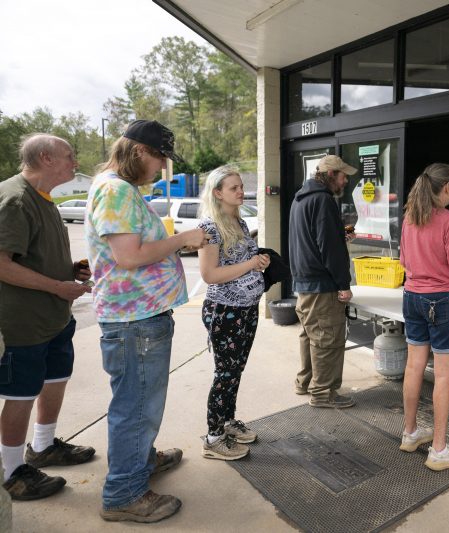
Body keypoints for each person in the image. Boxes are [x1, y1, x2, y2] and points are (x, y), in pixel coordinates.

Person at [85, 120, 208, 523]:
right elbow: (130, 256)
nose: (160, 167)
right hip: (134, 321)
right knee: (137, 407)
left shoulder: (119, 188)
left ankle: (140, 460)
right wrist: (184, 239)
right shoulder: (115, 189)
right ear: (139, 151)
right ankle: (124, 493)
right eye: (159, 157)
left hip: (139, 318)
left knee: (139, 402)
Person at [0, 134, 95, 501]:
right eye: (69, 155)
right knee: (20, 395)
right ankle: (12, 474)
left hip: (53, 319)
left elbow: (31, 256)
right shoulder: (14, 199)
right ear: (46, 158)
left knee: (55, 379)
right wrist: (57, 287)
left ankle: (42, 447)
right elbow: (3, 265)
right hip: (23, 323)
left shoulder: (42, 197)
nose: (75, 161)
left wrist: (68, 270)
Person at [399, 162, 449, 472]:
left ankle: (410, 432)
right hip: (443, 302)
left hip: (412, 297)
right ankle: (440, 449)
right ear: (446, 187)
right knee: (444, 375)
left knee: (414, 366)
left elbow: (405, 263)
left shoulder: (409, 219)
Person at [197, 166, 269, 461]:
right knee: (225, 373)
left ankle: (227, 422)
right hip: (224, 311)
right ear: (218, 193)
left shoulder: (237, 221)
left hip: (245, 309)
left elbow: (241, 261)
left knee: (235, 371)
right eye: (234, 188)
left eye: (241, 186)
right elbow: (210, 274)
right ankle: (213, 437)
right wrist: (251, 264)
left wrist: (260, 261)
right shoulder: (210, 228)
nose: (241, 191)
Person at [289, 154, 357, 408]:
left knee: (310, 334)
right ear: (330, 175)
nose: (346, 180)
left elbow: (314, 240)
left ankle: (305, 382)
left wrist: (339, 236)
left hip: (304, 281)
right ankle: (323, 393)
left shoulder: (301, 199)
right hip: (321, 283)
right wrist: (343, 284)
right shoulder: (323, 200)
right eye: (342, 175)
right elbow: (329, 248)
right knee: (327, 338)